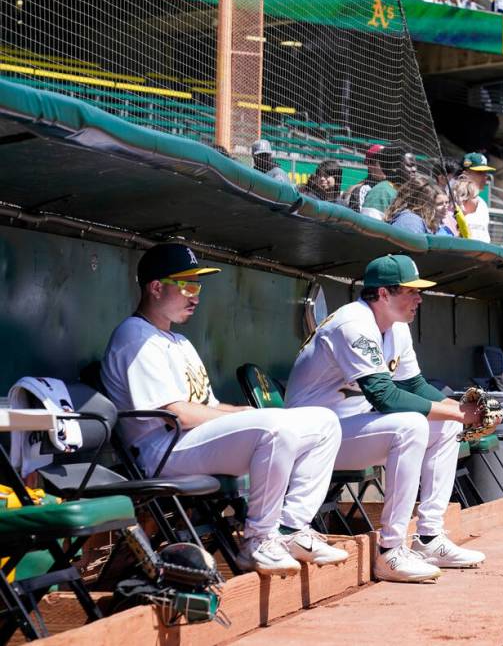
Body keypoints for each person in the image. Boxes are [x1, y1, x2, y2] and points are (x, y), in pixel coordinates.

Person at [101, 243, 347, 577]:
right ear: (156, 287)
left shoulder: (180, 341)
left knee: (324, 421)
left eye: (197, 285)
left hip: (193, 442)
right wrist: (247, 418)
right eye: (187, 284)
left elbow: (209, 407)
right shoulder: (134, 336)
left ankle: (290, 530)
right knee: (274, 426)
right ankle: (258, 539)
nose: (195, 296)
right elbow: (178, 414)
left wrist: (240, 411)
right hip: (161, 452)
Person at [285, 255, 495, 583]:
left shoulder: (395, 328)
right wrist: (458, 411)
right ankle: (391, 551)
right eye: (411, 291)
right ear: (384, 294)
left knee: (447, 424)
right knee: (410, 424)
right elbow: (385, 396)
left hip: (348, 430)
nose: (419, 298)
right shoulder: (353, 323)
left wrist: (458, 410)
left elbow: (413, 385)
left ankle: (428, 538)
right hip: (310, 440)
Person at [362, 146, 417, 220]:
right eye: (409, 165)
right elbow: (368, 226)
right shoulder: (382, 191)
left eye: (415, 165)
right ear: (394, 167)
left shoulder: (409, 192)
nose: (414, 169)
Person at [456, 152, 494, 242]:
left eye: (486, 172)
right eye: (480, 172)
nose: (485, 176)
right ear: (466, 173)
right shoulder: (452, 200)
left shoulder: (483, 204)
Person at [344, 144, 385, 214]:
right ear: (370, 165)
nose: (387, 166)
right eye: (382, 162)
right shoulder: (361, 190)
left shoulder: (394, 186)